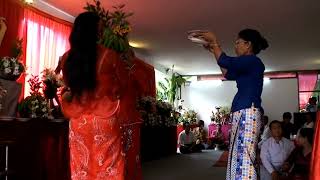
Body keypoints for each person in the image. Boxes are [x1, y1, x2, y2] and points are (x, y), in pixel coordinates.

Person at [61, 12, 129, 180]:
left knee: (81, 167)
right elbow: (123, 85)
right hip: (105, 118)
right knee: (109, 167)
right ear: (95, 31)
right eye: (100, 29)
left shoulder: (67, 58)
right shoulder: (109, 55)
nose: (101, 33)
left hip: (78, 120)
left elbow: (67, 87)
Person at [196, 29, 268, 180]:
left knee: (243, 156)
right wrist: (213, 51)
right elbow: (227, 73)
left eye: (238, 42)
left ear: (248, 45)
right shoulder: (247, 65)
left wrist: (215, 42)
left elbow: (225, 61)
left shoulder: (252, 61)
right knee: (241, 154)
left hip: (247, 111)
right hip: (244, 111)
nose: (235, 46)